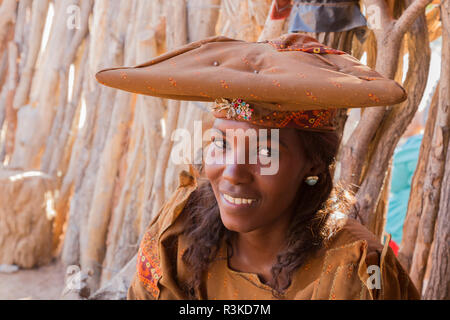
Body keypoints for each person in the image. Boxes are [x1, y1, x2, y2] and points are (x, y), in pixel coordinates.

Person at [96, 33, 419, 300]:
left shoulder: (357, 274)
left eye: (265, 152)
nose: (233, 172)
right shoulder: (178, 238)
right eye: (221, 144)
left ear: (314, 164)